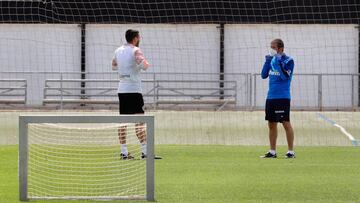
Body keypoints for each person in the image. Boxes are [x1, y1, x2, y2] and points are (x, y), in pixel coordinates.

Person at [112, 29, 157, 160]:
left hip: (122, 90)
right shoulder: (136, 50)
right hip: (134, 90)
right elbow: (144, 65)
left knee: (123, 122)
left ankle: (124, 152)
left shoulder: (118, 50)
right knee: (140, 122)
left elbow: (114, 66)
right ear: (136, 38)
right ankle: (145, 152)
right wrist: (143, 64)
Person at [260, 39, 295, 158]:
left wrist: (279, 63)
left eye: (273, 47)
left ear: (281, 48)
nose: (271, 49)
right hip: (271, 97)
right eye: (270, 47)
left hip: (283, 97)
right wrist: (267, 61)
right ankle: (272, 151)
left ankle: (290, 152)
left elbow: (285, 77)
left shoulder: (289, 60)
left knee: (285, 123)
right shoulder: (272, 60)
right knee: (271, 123)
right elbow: (263, 75)